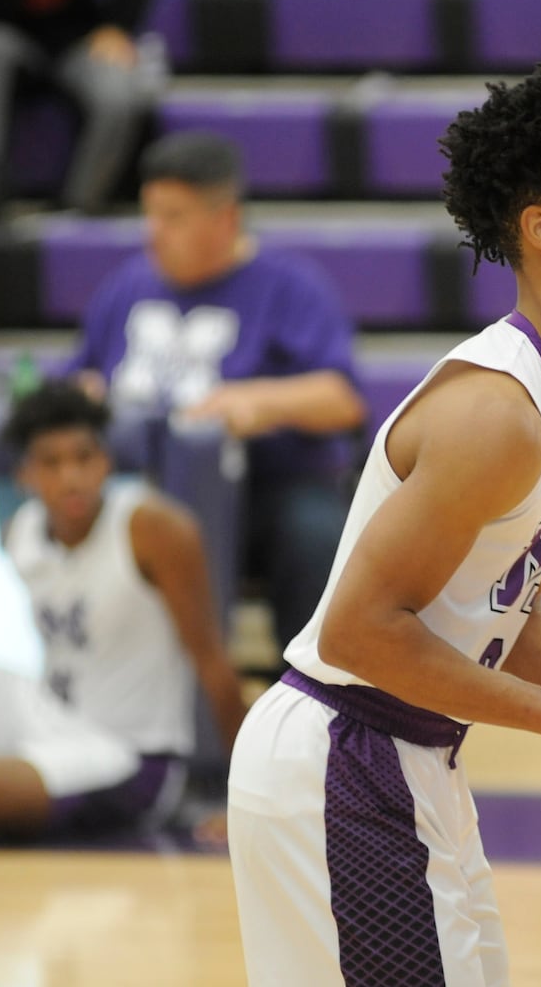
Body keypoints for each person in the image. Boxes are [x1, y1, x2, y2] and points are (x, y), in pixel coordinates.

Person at [226, 63, 541, 985]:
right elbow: (360, 627)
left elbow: (504, 602)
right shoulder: (495, 415)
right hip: (345, 749)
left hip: (413, 760)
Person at [67, 131, 367, 653]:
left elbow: (341, 397)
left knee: (317, 535)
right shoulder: (126, 286)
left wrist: (254, 402)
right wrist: (82, 394)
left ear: (225, 218)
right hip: (140, 490)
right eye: (150, 214)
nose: (153, 232)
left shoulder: (289, 285)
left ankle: (311, 700)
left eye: (173, 217)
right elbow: (80, 376)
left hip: (263, 491)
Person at [0, 380, 246, 837]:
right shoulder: (18, 532)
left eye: (83, 458)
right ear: (25, 475)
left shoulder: (155, 528)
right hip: (50, 721)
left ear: (105, 462)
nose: (71, 476)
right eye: (52, 462)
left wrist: (248, 802)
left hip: (130, 754)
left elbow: (214, 664)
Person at [0, 0, 156, 218]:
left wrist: (117, 26)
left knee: (118, 96)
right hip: (13, 38)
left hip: (84, 40)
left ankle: (80, 204)